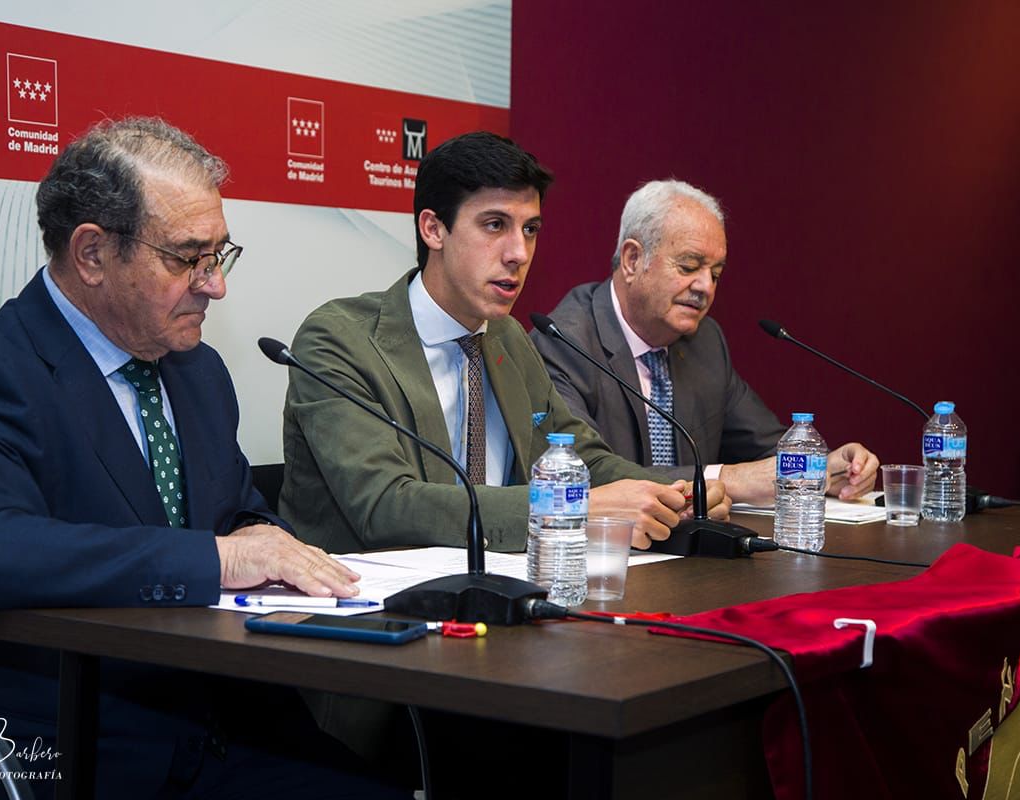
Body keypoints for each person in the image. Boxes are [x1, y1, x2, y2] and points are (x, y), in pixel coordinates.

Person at [0, 117, 402, 799]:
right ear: (94, 254)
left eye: (220, 254)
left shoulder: (198, 371)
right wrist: (220, 558)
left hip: (216, 725)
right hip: (47, 739)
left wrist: (258, 534)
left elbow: (232, 514)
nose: (214, 286)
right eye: (187, 257)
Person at [279, 133, 730, 556]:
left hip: (499, 594)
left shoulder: (507, 337)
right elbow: (386, 507)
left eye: (530, 229)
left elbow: (579, 455)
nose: (519, 252)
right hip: (368, 615)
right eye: (495, 225)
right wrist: (576, 508)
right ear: (433, 230)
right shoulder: (340, 340)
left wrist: (675, 494)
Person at [530, 179, 878, 505]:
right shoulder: (565, 341)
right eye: (688, 266)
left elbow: (768, 449)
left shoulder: (705, 342)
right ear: (633, 259)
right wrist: (727, 478)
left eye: (715, 274)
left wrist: (825, 468)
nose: (706, 288)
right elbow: (580, 469)